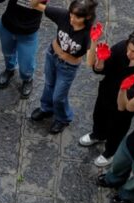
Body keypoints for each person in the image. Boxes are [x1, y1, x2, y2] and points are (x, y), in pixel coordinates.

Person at [80, 28, 134, 167]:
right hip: (106, 93)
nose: (129, 54)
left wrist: (123, 90)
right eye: (129, 49)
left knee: (116, 130)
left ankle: (110, 151)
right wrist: (100, 61)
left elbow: (124, 106)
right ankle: (98, 134)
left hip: (123, 108)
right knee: (98, 116)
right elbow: (101, 70)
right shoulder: (122, 46)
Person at [29, 0, 97, 134]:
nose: (72, 19)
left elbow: (90, 62)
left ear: (87, 17)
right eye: (71, 14)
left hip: (68, 67)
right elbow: (34, 5)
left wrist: (94, 40)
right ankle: (46, 109)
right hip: (52, 56)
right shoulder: (63, 15)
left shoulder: (88, 33)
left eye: (77, 17)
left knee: (59, 96)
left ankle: (63, 118)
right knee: (48, 84)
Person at [0, 0, 44, 98]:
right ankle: (10, 69)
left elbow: (37, 3)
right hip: (7, 26)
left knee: (26, 65)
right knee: (7, 54)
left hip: (28, 33)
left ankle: (27, 79)